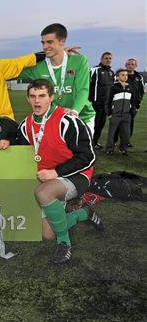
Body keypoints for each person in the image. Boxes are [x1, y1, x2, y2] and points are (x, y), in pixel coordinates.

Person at [16, 79, 101, 265]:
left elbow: (88, 157)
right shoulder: (25, 126)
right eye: (32, 96)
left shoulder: (68, 121)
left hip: (76, 175)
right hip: (48, 178)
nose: (37, 101)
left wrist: (56, 171)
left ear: (51, 97)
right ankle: (84, 214)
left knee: (43, 192)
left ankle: (64, 243)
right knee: (47, 233)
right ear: (28, 99)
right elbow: (21, 154)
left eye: (42, 96)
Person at [18, 23, 96, 133]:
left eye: (49, 42)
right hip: (55, 119)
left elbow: (83, 90)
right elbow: (11, 71)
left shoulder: (79, 61)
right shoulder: (38, 67)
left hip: (82, 117)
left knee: (80, 150)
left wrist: (74, 111)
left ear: (62, 41)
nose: (45, 46)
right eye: (43, 43)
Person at [89, 52, 115, 149]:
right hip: (95, 103)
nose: (108, 60)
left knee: (101, 125)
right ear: (101, 59)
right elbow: (88, 85)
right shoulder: (95, 70)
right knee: (93, 125)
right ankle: (89, 143)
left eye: (110, 58)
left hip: (105, 104)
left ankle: (95, 142)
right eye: (106, 58)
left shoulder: (112, 72)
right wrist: (90, 100)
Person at [105, 69, 134, 155]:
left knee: (126, 134)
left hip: (126, 115)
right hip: (115, 114)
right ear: (118, 76)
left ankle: (123, 148)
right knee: (112, 133)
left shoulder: (130, 87)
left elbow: (133, 101)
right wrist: (109, 113)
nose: (125, 76)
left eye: (126, 75)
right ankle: (109, 149)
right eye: (123, 75)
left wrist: (131, 112)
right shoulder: (114, 87)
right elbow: (108, 101)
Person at [125, 58, 145, 143]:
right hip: (122, 103)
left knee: (131, 123)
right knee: (119, 123)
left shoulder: (139, 77)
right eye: (128, 64)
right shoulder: (122, 75)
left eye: (132, 64)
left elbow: (141, 91)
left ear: (135, 66)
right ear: (126, 65)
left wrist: (138, 102)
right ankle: (115, 141)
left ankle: (127, 141)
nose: (130, 66)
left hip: (134, 105)